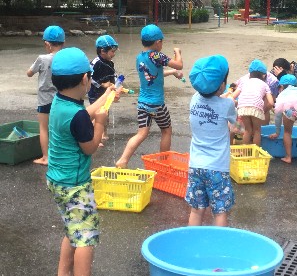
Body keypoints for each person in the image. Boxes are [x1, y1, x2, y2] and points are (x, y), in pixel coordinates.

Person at [47, 47, 115, 276]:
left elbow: (83, 113)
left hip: (57, 181)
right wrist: (101, 124)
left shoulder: (59, 102)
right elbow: (90, 147)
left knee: (71, 228)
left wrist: (107, 97)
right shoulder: (77, 116)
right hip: (75, 185)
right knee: (86, 236)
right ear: (86, 79)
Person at [115, 24, 183, 168]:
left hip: (143, 104)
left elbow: (153, 75)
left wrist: (172, 73)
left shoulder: (140, 57)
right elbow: (178, 64)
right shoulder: (157, 55)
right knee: (166, 131)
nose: (162, 44)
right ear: (158, 42)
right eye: (162, 42)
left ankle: (123, 160)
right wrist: (177, 52)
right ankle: (164, 163)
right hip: (157, 104)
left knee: (141, 134)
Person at [186, 55, 237, 226]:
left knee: (196, 210)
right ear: (222, 85)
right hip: (217, 168)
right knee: (220, 211)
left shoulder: (193, 100)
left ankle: (192, 244)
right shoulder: (227, 105)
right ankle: (218, 245)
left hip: (195, 166)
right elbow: (236, 125)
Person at [26, 25, 65, 165]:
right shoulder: (65, 57)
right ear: (63, 43)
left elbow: (29, 73)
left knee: (44, 128)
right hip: (61, 98)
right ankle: (60, 154)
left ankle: (46, 157)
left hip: (44, 99)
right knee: (58, 127)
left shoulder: (42, 58)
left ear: (47, 44)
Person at [231, 59, 274, 146]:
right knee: (257, 130)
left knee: (248, 130)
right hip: (256, 107)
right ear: (263, 75)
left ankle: (245, 153)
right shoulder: (265, 85)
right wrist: (264, 110)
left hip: (242, 107)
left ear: (250, 73)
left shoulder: (244, 82)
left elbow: (232, 96)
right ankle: (256, 153)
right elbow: (271, 102)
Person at [88, 35, 121, 146]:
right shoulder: (96, 63)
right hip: (95, 93)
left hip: (106, 93)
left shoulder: (110, 63)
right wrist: (102, 84)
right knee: (97, 113)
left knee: (105, 113)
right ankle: (93, 137)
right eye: (112, 51)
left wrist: (116, 85)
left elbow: (113, 75)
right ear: (103, 51)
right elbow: (89, 77)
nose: (114, 54)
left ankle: (103, 133)